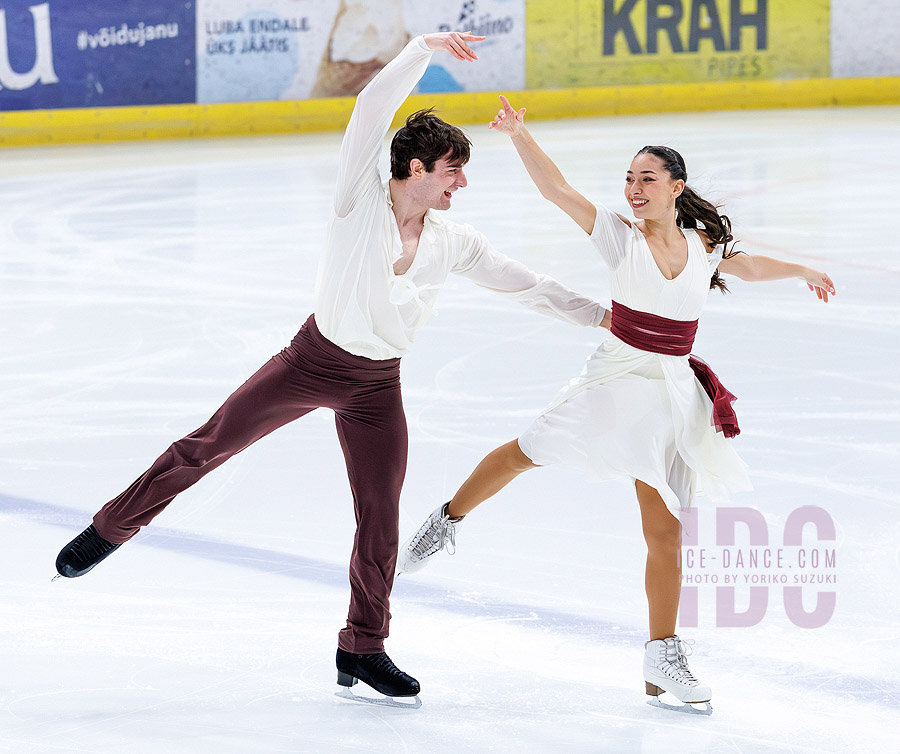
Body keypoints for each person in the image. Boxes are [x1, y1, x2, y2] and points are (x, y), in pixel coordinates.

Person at [54, 39, 614, 706]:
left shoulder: (454, 242)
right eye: (451, 170)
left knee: (380, 518)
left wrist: (605, 317)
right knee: (204, 448)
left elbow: (530, 286)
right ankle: (111, 528)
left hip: (378, 387)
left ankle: (363, 647)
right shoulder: (361, 198)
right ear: (413, 167)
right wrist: (422, 48)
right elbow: (372, 105)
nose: (460, 182)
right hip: (310, 360)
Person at [397, 95, 836, 714]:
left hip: (673, 390)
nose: (634, 189)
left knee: (665, 530)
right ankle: (446, 521)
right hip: (617, 377)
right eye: (629, 178)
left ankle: (662, 658)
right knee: (528, 451)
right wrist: (520, 134)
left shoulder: (703, 240)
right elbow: (558, 190)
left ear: (675, 187)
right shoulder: (618, 236)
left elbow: (750, 262)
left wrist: (802, 270)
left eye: (647, 179)